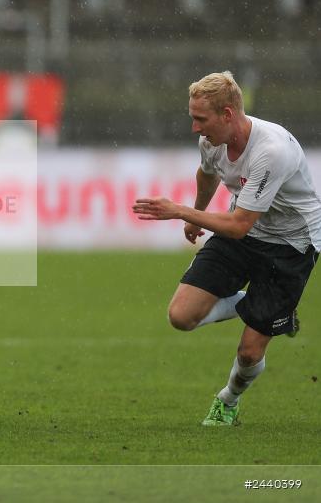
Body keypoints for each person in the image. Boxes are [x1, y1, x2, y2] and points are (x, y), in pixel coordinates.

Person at [132, 71, 321, 426]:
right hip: (245, 236)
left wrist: (180, 211)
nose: (194, 128)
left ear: (228, 115)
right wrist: (198, 211)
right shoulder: (212, 140)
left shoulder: (271, 151)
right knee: (181, 316)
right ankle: (265, 308)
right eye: (193, 117)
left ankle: (227, 401)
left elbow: (238, 225)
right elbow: (207, 174)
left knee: (249, 353)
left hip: (291, 245)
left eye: (201, 119)